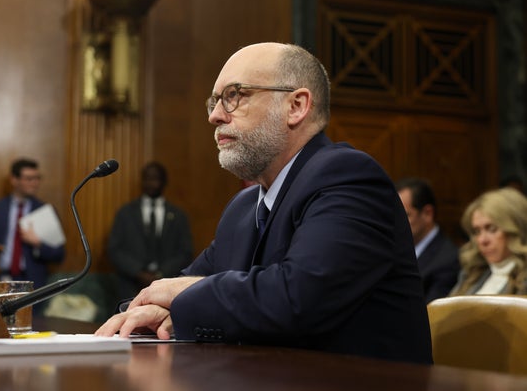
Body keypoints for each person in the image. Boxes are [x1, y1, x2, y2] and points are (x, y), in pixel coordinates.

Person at [96, 42, 432, 364]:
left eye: (233, 96)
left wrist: (184, 298)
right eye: (213, 102)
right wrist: (153, 309)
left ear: (296, 106)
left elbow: (296, 300)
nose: (214, 116)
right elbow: (178, 289)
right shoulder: (243, 209)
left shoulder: (349, 178)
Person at [107, 161, 194, 300]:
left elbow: (185, 251)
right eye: (147, 178)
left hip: (167, 286)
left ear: (164, 182)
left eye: (155, 179)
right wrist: (139, 273)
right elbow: (115, 249)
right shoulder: (126, 213)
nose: (150, 183)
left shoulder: (178, 215)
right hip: (130, 286)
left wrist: (160, 274)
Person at [0, 158, 65, 292]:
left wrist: (37, 243)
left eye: (37, 178)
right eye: (29, 179)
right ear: (14, 179)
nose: (35, 183)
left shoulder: (45, 211)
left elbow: (59, 254)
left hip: (33, 283)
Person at [450, 187, 527, 295]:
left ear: (517, 229)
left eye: (491, 229)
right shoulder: (472, 274)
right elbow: (446, 310)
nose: (482, 240)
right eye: (477, 231)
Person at [396, 177, 459, 303]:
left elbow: (432, 314)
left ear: (427, 213)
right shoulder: (394, 248)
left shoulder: (448, 259)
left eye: (404, 215)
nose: (396, 222)